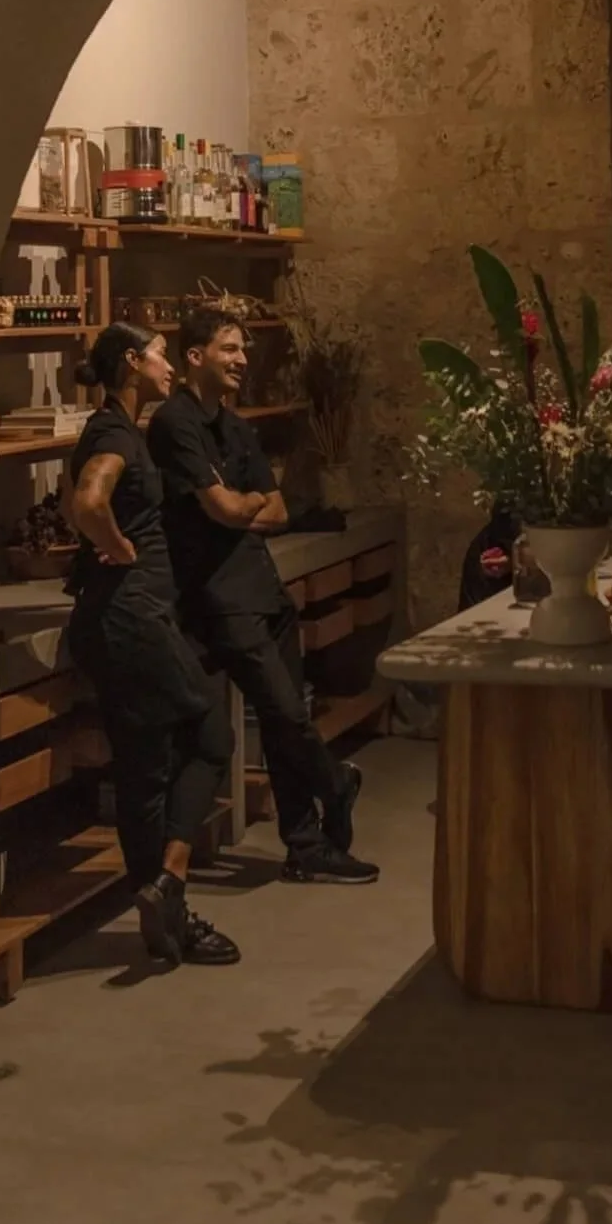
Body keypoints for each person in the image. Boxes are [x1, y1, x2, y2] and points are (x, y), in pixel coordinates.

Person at [147, 307, 379, 885]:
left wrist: (237, 507)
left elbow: (273, 511)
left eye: (243, 349)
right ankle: (336, 783)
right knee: (284, 712)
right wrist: (236, 506)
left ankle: (306, 845)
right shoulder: (174, 423)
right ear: (194, 356)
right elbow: (226, 507)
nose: (242, 360)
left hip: (265, 589)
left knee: (285, 723)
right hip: (220, 599)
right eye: (229, 349)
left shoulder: (236, 426)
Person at [64, 324, 241, 968]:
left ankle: (164, 922)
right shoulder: (114, 434)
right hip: (133, 618)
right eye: (162, 355)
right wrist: (116, 545)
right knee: (212, 735)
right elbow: (89, 501)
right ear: (132, 362)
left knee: (145, 771)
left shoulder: (116, 428)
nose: (169, 367)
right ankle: (171, 879)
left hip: (122, 619)